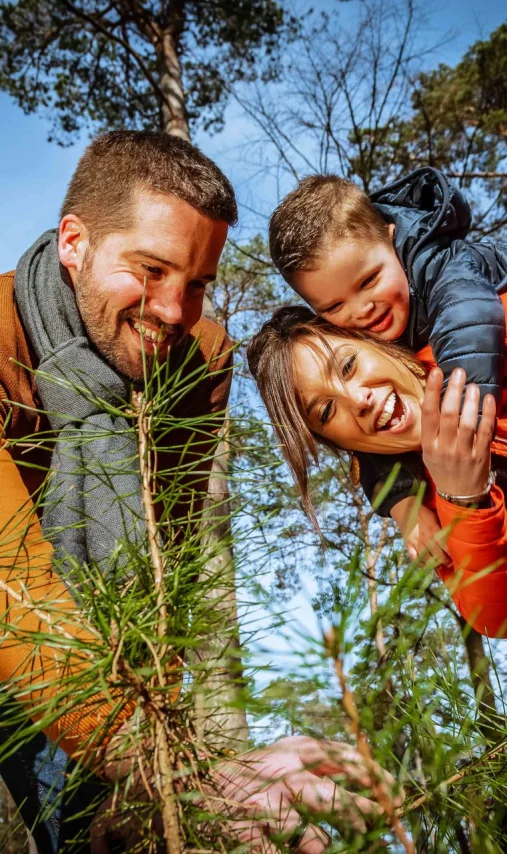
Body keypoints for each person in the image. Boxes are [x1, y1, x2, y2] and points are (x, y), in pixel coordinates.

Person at [0, 130, 394, 853]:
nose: (174, 311)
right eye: (149, 270)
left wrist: (173, 774)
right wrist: (179, 770)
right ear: (74, 242)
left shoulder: (198, 357)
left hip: (104, 672)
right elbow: (13, 594)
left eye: (198, 282)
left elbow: (163, 566)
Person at [246, 235, 507, 732]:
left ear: (375, 344)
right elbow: (506, 619)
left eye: (347, 366)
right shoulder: (428, 501)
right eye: (326, 411)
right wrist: (465, 498)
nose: (358, 401)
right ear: (337, 441)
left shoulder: (500, 331)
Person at [267, 168, 507, 563]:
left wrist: (457, 419)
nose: (362, 309)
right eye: (334, 306)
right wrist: (404, 507)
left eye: (368, 281)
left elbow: (467, 323)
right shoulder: (367, 336)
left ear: (391, 238)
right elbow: (370, 446)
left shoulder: (438, 262)